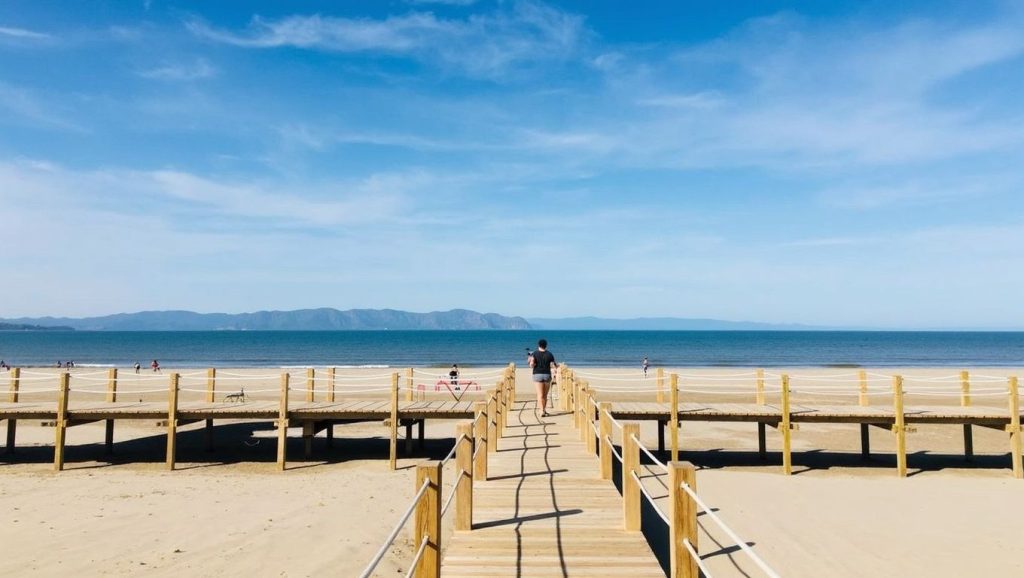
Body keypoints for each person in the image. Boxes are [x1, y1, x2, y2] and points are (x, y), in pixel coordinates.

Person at [528, 338, 557, 417]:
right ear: (546, 345)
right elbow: (554, 365)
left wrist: (530, 361)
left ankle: (541, 411)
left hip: (537, 374)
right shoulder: (550, 354)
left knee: (540, 395)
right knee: (545, 395)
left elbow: (531, 364)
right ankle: (543, 410)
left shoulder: (534, 354)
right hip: (547, 375)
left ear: (538, 345)